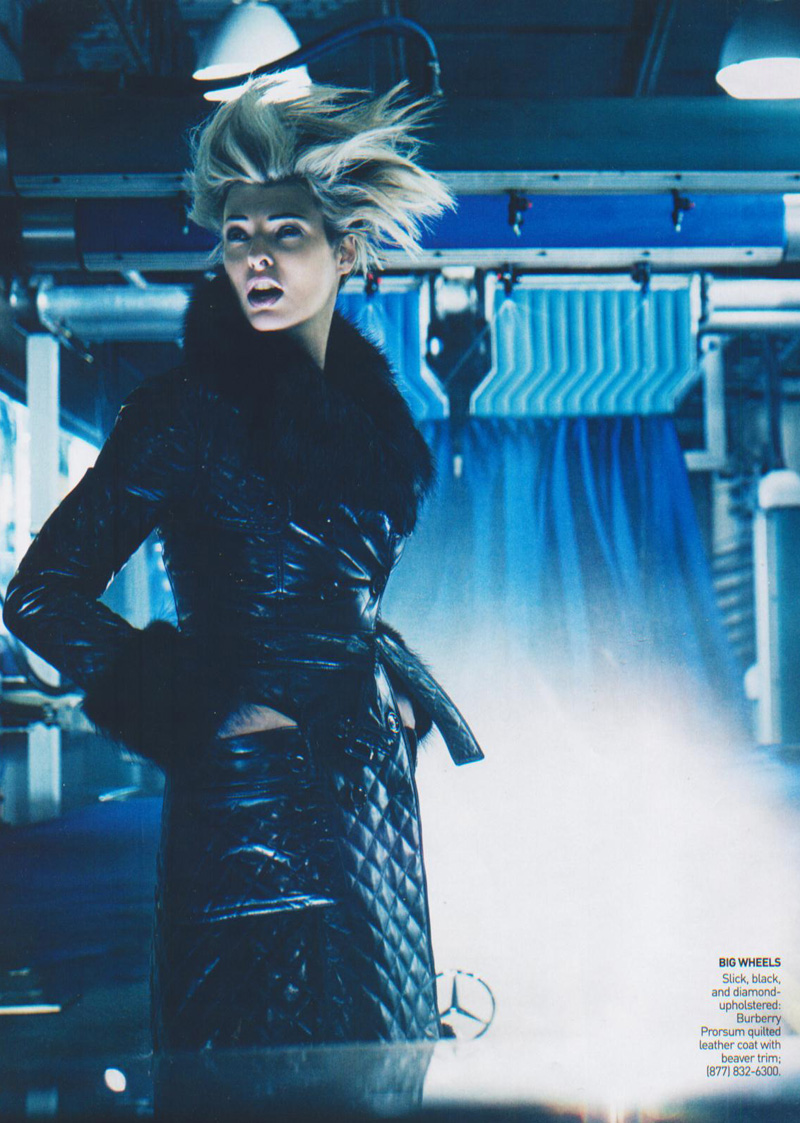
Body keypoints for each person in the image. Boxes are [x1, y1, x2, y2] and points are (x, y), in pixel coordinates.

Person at [2, 77, 483, 1051]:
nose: (256, 258)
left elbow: (329, 594)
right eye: (236, 235)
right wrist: (205, 712)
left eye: (286, 234)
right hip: (249, 796)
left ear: (344, 250)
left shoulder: (365, 422)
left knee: (383, 1055)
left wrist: (389, 683)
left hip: (368, 791)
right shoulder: (184, 413)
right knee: (249, 1071)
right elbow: (40, 594)